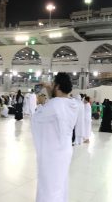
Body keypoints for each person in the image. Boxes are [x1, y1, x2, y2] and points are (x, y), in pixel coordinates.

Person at [31, 73, 80, 202]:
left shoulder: (52, 107)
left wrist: (41, 103)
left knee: (49, 188)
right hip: (65, 151)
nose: (50, 86)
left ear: (57, 87)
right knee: (60, 185)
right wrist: (50, 89)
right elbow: (58, 104)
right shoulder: (74, 105)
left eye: (53, 84)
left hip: (52, 155)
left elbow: (36, 118)